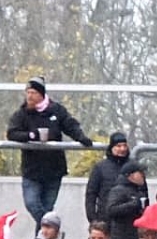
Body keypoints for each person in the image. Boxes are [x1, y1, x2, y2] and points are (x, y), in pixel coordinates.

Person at [6, 78, 93, 224]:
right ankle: (52, 227)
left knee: (47, 208)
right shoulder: (22, 114)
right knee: (32, 204)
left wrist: (81, 138)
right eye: (28, 92)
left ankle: (45, 235)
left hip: (54, 170)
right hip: (31, 171)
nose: (29, 96)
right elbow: (12, 133)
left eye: (33, 92)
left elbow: (70, 126)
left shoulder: (56, 110)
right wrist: (31, 135)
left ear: (41, 94)